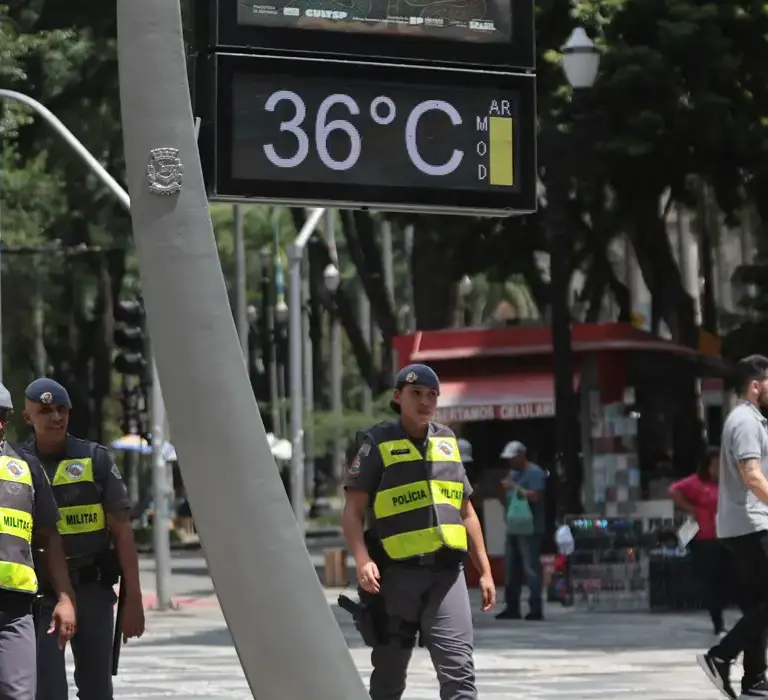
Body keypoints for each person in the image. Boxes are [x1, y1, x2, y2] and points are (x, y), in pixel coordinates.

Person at [341, 363, 495, 700]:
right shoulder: (377, 442)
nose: (425, 401)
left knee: (460, 674)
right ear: (398, 397)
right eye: (416, 394)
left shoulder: (447, 441)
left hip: (447, 575)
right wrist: (363, 560)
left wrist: (484, 570)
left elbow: (466, 511)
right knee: (389, 678)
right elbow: (352, 512)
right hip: (396, 578)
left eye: (432, 395)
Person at [22, 378, 145, 700]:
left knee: (97, 691)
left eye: (62, 409)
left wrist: (133, 600)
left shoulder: (95, 459)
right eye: (46, 410)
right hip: (42, 594)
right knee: (47, 691)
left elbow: (122, 533)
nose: (56, 417)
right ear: (28, 417)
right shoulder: (18, 465)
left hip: (93, 589)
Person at [698, 355, 768, 700]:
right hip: (752, 523)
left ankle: (754, 678)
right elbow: (752, 475)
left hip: (744, 523)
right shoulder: (746, 422)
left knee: (759, 601)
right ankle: (721, 655)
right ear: (755, 385)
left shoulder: (750, 420)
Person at [0, 381, 76, 700]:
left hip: (15, 610)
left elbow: (49, 536)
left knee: (20, 695)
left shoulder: (25, 465)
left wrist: (65, 597)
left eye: (2, 415)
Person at [668, 446, 728, 636]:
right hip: (705, 538)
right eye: (715, 465)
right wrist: (690, 508)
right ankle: (718, 622)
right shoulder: (696, 483)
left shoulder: (727, 483)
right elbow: (673, 490)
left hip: (726, 536)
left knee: (728, 579)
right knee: (712, 582)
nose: (718, 469)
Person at [495, 440, 547, 621]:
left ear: (522, 455)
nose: (510, 462)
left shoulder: (535, 472)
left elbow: (536, 496)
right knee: (511, 567)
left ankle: (535, 608)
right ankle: (512, 606)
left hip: (530, 527)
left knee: (530, 567)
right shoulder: (513, 473)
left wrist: (514, 487)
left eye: (513, 458)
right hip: (514, 526)